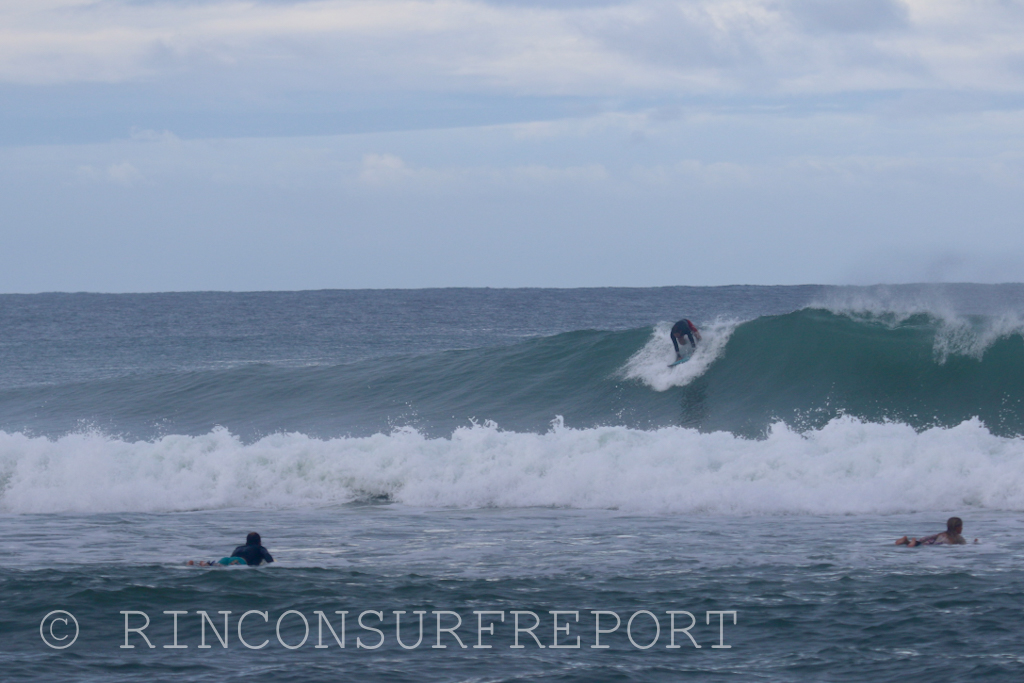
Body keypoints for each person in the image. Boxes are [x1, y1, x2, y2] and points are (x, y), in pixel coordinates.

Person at [187, 532, 275, 567]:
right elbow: (269, 559)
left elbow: (231, 558)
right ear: (259, 542)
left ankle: (200, 563)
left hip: (227, 559)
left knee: (218, 566)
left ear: (247, 542)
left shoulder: (239, 548)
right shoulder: (260, 548)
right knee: (223, 568)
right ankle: (206, 564)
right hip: (240, 561)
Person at [895, 517, 977, 547]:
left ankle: (906, 541)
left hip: (936, 538)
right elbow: (964, 544)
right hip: (942, 542)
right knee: (926, 546)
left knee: (921, 543)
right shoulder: (957, 537)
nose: (962, 528)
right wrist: (974, 543)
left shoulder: (942, 534)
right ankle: (911, 543)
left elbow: (928, 538)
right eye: (961, 526)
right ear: (957, 527)